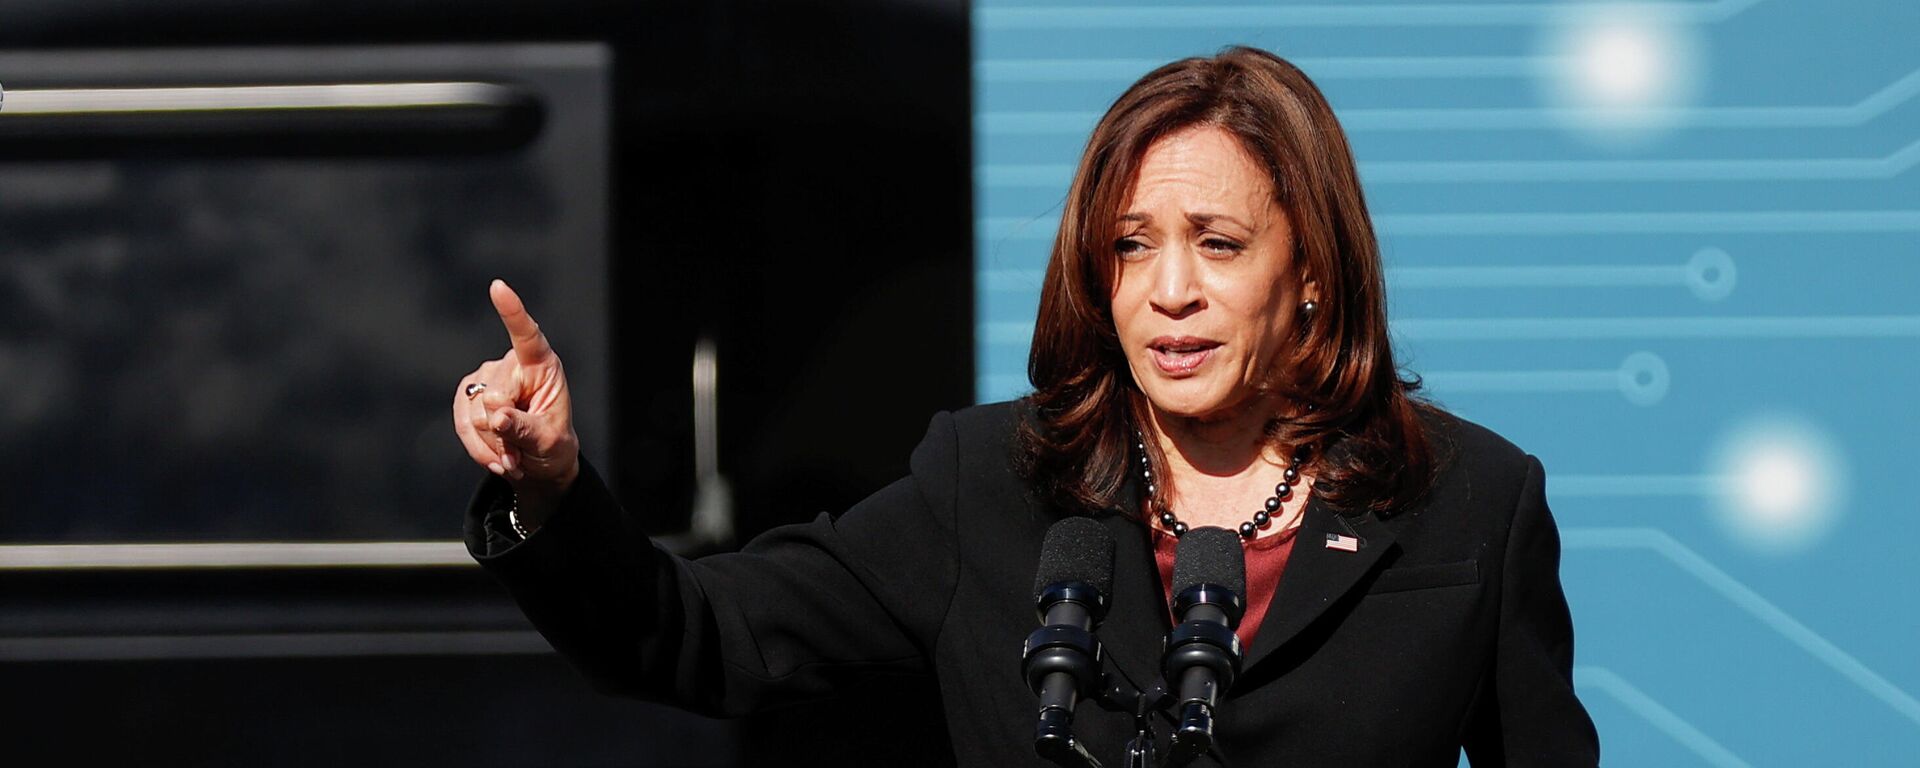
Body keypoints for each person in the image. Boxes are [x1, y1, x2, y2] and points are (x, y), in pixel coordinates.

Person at [452, 46, 1599, 766]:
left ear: (1310, 273)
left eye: (1219, 244)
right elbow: (699, 637)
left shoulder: (1471, 505)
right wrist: (550, 486)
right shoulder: (994, 480)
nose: (1171, 291)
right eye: (1132, 247)